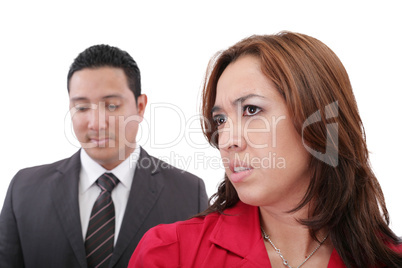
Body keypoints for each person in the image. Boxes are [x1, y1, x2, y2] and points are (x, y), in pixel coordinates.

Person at [129, 32, 402, 267]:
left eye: (251, 110)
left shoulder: (389, 260)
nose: (226, 140)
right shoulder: (169, 253)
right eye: (220, 120)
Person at [0, 44, 208, 268]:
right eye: (81, 108)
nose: (97, 123)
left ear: (140, 107)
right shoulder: (24, 190)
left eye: (111, 106)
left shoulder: (187, 194)